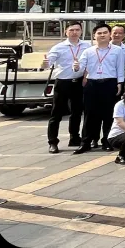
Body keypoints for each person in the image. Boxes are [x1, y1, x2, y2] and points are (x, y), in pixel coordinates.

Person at [74, 23, 125, 154]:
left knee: (109, 114)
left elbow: (120, 67)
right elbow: (80, 67)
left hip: (110, 83)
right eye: (99, 33)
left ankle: (107, 141)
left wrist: (120, 83)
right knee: (89, 114)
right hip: (92, 84)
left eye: (105, 33)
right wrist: (76, 67)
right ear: (94, 36)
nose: (102, 35)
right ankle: (85, 142)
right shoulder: (88, 51)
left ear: (109, 35)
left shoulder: (117, 50)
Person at [44, 21, 86, 153]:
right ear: (65, 32)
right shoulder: (59, 47)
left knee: (77, 112)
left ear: (81, 31)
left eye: (77, 30)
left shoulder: (87, 46)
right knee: (56, 113)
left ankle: (74, 137)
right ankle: (52, 142)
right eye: (71, 30)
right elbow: (48, 62)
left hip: (79, 82)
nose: (74, 32)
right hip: (63, 82)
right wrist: (45, 63)